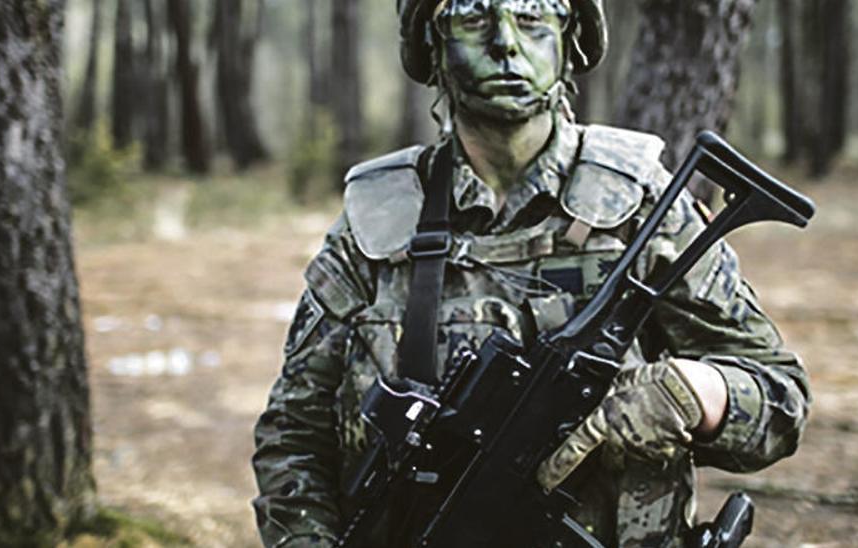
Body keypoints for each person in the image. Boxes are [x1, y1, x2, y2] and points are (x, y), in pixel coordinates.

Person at [252, 1, 810, 546]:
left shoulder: (638, 204)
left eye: (533, 14)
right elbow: (293, 434)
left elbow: (781, 400)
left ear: (570, 38)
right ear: (432, 42)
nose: (505, 43)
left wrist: (697, 393)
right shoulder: (378, 222)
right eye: (471, 15)